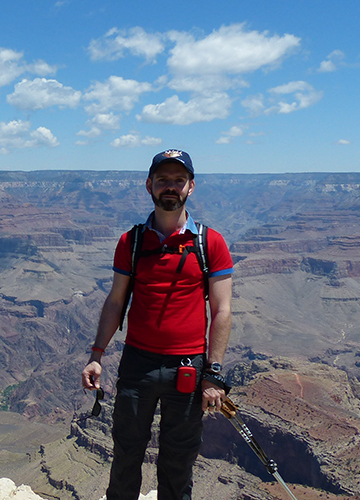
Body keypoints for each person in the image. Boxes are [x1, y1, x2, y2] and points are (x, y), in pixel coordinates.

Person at [81, 149, 234, 500]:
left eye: (178, 180)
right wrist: (96, 355)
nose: (170, 187)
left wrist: (214, 373)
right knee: (125, 456)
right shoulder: (131, 241)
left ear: (191, 186)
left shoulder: (210, 243)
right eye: (163, 179)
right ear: (149, 184)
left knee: (178, 465)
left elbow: (222, 311)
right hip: (138, 365)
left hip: (189, 367)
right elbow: (116, 301)